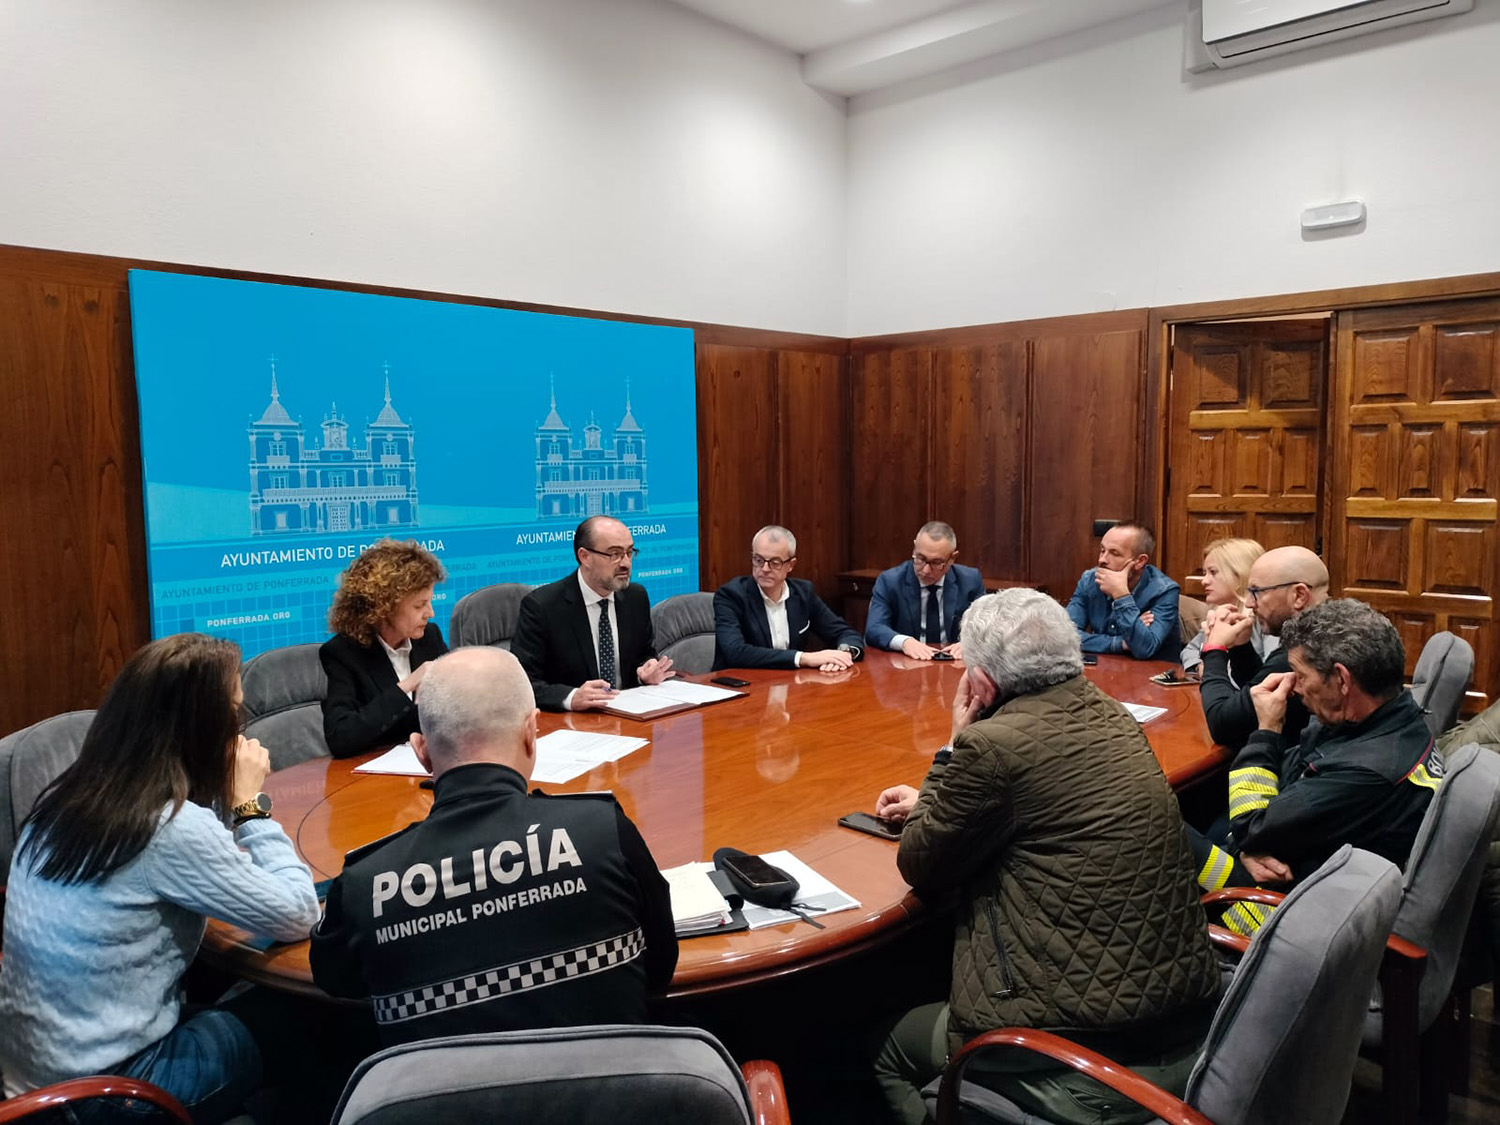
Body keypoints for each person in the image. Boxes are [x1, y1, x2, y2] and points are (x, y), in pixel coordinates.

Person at [870, 590, 1219, 1125]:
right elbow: (1050, 800)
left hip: (1079, 1053)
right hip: (1185, 1017)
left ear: (981, 686)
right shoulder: (1113, 714)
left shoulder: (991, 747)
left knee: (883, 1048)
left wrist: (952, 747)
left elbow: (922, 864)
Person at [0, 634, 321, 1122]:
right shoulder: (167, 827)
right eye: (234, 712)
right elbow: (297, 914)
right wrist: (249, 807)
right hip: (113, 1095)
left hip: (37, 1083)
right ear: (201, 728)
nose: (241, 726)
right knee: (314, 1010)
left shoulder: (66, 796)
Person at [309, 647, 677, 1045]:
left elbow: (336, 981)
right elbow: (659, 966)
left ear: (421, 751)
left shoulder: (365, 883)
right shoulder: (604, 831)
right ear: (531, 732)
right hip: (619, 1101)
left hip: (438, 1107)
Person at [1191, 599, 1440, 934]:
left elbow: (1253, 826)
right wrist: (1250, 841)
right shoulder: (1392, 717)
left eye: (1301, 675)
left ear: (1341, 679)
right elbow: (1295, 768)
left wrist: (1266, 730)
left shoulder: (1366, 771)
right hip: (1317, 870)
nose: (1293, 686)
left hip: (1288, 915)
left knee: (1156, 826)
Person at [510, 515, 672, 712]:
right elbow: (523, 683)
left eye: (629, 552)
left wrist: (646, 670)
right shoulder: (543, 606)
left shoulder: (635, 597)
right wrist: (571, 697)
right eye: (614, 554)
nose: (626, 563)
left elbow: (644, 653)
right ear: (584, 556)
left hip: (630, 716)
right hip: (573, 725)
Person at [320, 539, 449, 757]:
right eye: (420, 605)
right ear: (385, 607)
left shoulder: (429, 637)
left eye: (430, 602)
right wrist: (407, 685)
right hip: (375, 775)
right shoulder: (344, 653)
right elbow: (340, 737)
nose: (430, 613)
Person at [1198, 544, 1328, 750]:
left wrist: (1214, 650)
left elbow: (1223, 725)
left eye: (1256, 592)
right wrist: (1240, 647)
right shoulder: (1321, 630)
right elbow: (1259, 690)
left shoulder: (1304, 651)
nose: (1249, 603)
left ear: (1299, 596)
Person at [713, 525, 864, 671]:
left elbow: (845, 633)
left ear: (790, 565)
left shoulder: (803, 593)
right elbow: (735, 652)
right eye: (758, 560)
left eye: (775, 562)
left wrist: (844, 654)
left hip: (789, 685)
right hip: (742, 686)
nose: (765, 569)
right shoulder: (731, 596)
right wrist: (804, 658)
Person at [863, 521, 985, 661]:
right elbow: (874, 628)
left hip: (953, 663)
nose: (926, 570)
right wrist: (905, 642)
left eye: (936, 563)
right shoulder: (890, 581)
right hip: (908, 665)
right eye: (920, 559)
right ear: (914, 548)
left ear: (952, 558)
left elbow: (988, 627)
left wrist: (969, 643)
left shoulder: (970, 581)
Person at [1064, 522, 1179, 660]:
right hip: (1104, 671)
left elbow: (1144, 648)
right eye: (1102, 550)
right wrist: (1122, 642)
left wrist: (1121, 596)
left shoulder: (1164, 591)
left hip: (1151, 675)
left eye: (1114, 553)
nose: (1102, 560)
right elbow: (1065, 637)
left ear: (1140, 561)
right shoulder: (1090, 580)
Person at [1179, 537, 1277, 678]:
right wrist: (1199, 665)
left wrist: (1214, 670)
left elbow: (1269, 674)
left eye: (1213, 572)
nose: (1204, 581)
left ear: (1240, 574)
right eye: (1204, 573)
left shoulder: (1267, 618)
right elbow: (1190, 649)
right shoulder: (1219, 613)